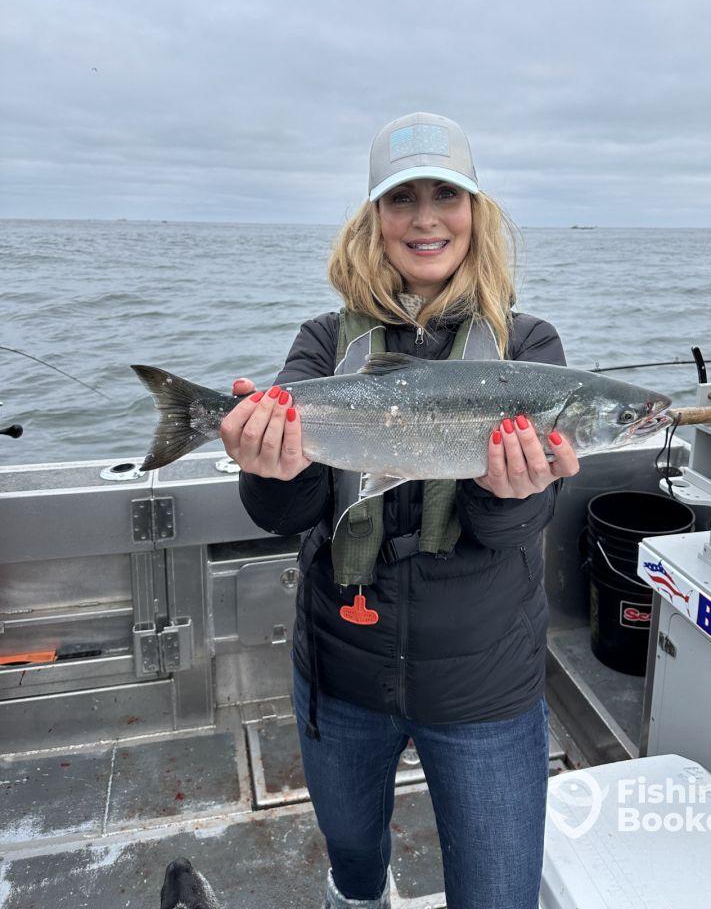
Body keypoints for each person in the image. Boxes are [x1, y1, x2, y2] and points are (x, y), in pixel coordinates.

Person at [220, 112, 580, 909]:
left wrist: (514, 493)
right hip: (343, 668)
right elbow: (288, 512)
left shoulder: (528, 346)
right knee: (352, 861)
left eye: (445, 194)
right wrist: (270, 465)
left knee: (497, 894)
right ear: (371, 218)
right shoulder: (325, 342)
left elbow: (513, 529)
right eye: (400, 199)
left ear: (475, 212)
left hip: (484, 682)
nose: (424, 218)